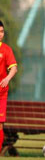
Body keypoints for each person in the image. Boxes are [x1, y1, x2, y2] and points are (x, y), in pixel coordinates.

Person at [0, 20, 18, 153]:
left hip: (1, 93)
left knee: (0, 125)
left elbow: (14, 68)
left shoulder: (6, 49)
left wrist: (7, 78)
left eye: (1, 32)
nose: (0, 34)